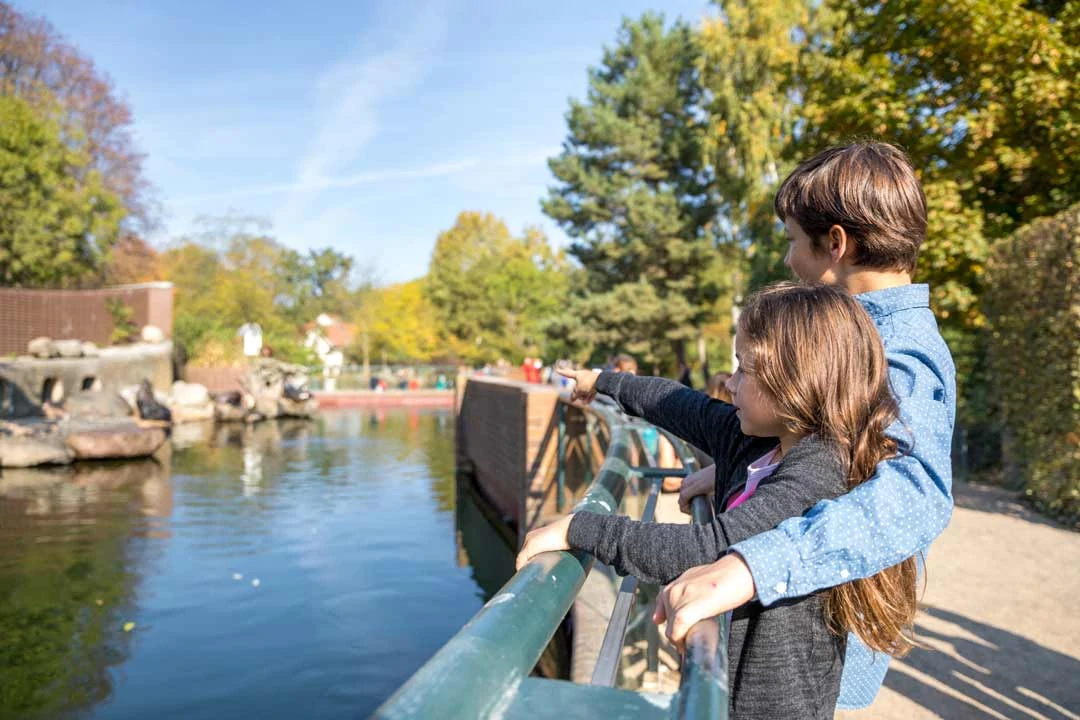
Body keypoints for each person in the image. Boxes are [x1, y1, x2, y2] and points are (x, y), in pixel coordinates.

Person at [517, 283, 919, 720]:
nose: (730, 382)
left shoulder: (819, 471)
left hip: (775, 704)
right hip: (729, 675)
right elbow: (677, 404)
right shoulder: (753, 439)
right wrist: (604, 382)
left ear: (796, 383)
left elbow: (708, 549)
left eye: (745, 370)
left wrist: (580, 527)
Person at [658, 142, 955, 710]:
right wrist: (734, 468)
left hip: (818, 635)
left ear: (836, 244)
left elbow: (916, 493)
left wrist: (754, 566)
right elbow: (831, 449)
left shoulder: (900, 352)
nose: (790, 260)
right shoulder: (858, 333)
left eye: (794, 240)